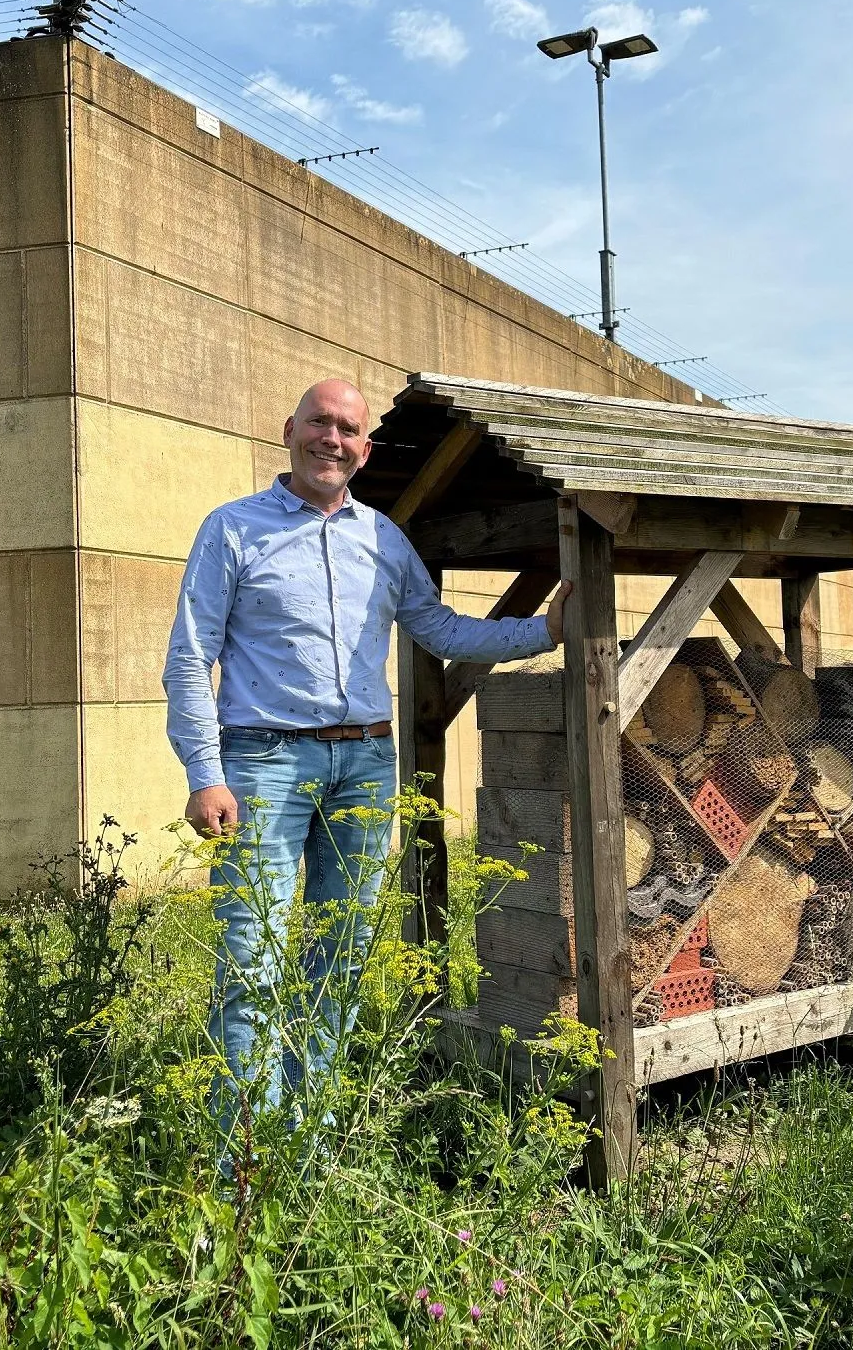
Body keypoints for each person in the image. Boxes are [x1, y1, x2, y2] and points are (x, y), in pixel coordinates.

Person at [163, 378, 568, 1118]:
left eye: (348, 430)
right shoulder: (232, 529)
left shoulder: (382, 538)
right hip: (263, 764)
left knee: (341, 957)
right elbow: (191, 657)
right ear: (288, 429)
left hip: (366, 767)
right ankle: (243, 1164)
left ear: (365, 448)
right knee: (252, 954)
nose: (333, 439)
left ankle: (309, 1138)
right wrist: (205, 773)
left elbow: (440, 630)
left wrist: (544, 632)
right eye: (319, 423)